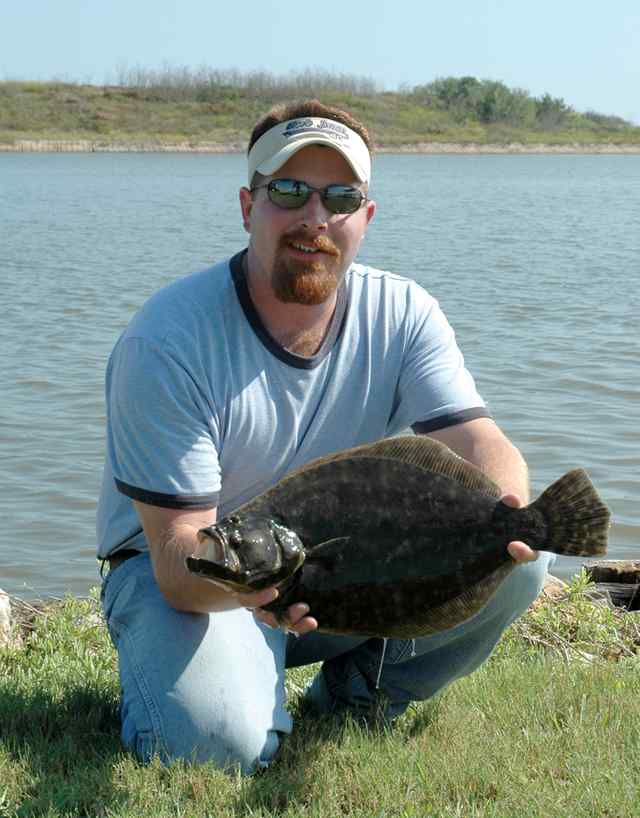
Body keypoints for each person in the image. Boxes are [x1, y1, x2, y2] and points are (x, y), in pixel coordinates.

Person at [97, 99, 552, 774]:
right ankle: (222, 687)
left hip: (338, 569)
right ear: (248, 206)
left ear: (366, 218)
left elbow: (479, 440)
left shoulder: (404, 312)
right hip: (195, 580)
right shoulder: (168, 341)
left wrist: (508, 511)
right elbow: (175, 559)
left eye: (341, 198)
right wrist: (259, 592)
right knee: (212, 749)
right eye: (289, 192)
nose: (315, 217)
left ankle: (357, 696)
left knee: (523, 555)